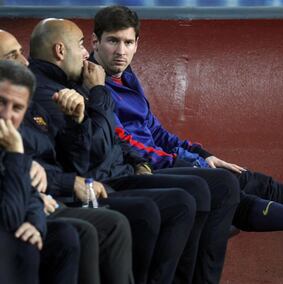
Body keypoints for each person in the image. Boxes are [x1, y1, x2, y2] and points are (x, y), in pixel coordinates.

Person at [91, 5, 283, 245]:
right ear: (96, 41)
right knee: (235, 190)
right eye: (113, 42)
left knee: (254, 180)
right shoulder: (95, 84)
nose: (121, 51)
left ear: (137, 43)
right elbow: (126, 143)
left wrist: (201, 153)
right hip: (145, 172)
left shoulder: (127, 75)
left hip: (171, 161)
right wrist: (189, 160)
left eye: (128, 42)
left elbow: (155, 131)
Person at [29, 18, 239, 284]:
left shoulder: (78, 80)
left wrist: (138, 161)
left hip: (121, 168)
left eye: (128, 43)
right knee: (181, 202)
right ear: (60, 51)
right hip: (100, 179)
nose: (85, 54)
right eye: (82, 45)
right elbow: (91, 152)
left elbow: (116, 137)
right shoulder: (55, 92)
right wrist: (99, 92)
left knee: (221, 184)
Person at [0, 29, 135, 284]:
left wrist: (77, 123)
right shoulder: (38, 92)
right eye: (12, 55)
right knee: (99, 227)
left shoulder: (32, 103)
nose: (24, 61)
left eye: (16, 107)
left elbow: (74, 162)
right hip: (47, 198)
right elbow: (15, 192)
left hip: (47, 197)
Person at [0, 59, 81, 284]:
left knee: (65, 236)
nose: (7, 115)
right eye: (1, 102)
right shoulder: (13, 145)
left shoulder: (9, 140)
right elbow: (10, 220)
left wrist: (35, 223)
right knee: (22, 246)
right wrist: (17, 153)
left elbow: (31, 195)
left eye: (17, 108)